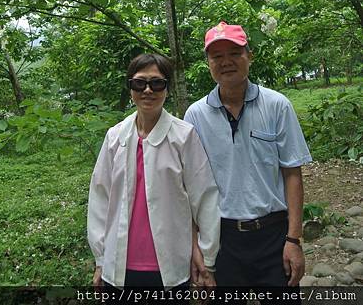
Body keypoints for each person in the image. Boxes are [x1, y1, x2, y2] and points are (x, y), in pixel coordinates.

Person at [184, 22, 312, 288]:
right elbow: (190, 188)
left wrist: (294, 239)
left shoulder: (277, 105)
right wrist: (196, 246)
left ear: (249, 56)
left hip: (273, 235)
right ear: (207, 62)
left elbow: (292, 174)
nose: (226, 62)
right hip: (222, 239)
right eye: (217, 56)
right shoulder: (195, 116)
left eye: (234, 53)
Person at [87, 53, 219, 289]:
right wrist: (100, 259)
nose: (148, 90)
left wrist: (207, 259)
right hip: (118, 267)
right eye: (139, 83)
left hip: (170, 266)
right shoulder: (115, 137)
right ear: (130, 88)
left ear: (167, 89)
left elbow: (205, 197)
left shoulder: (183, 136)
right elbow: (100, 198)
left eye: (157, 83)